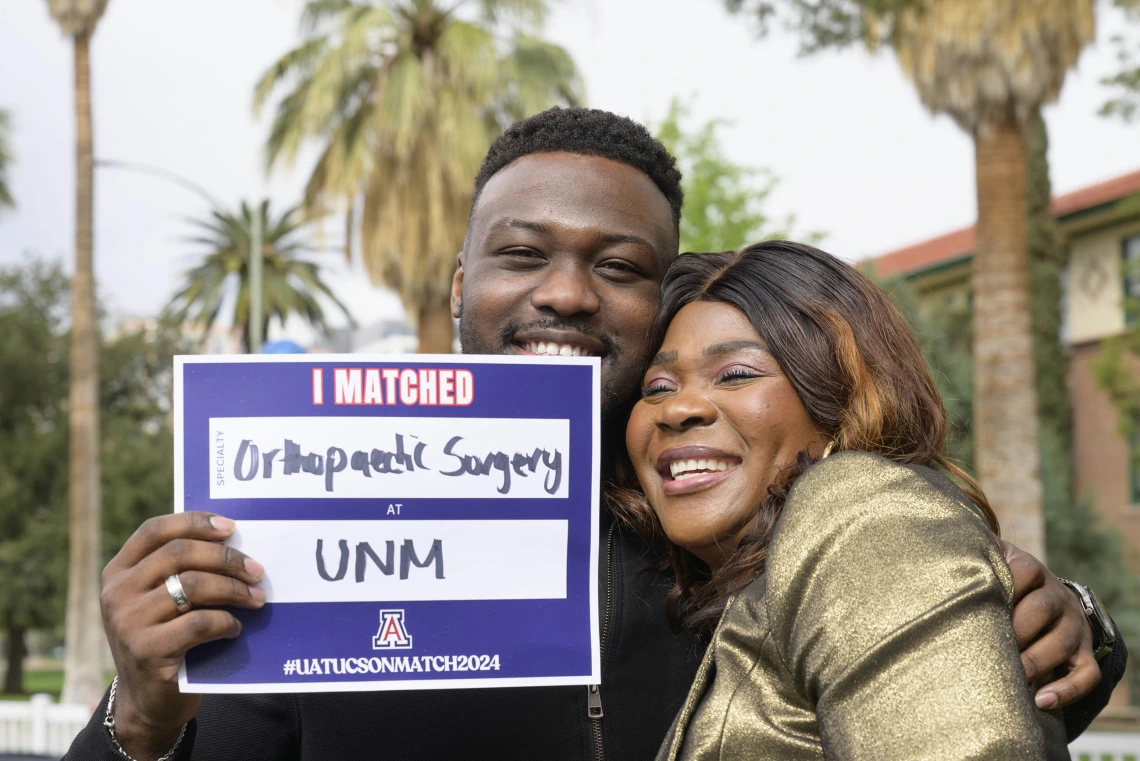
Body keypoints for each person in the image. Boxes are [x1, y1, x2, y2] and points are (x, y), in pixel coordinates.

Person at [66, 109, 1125, 761]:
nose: (567, 293)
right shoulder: (286, 554)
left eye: (617, 267)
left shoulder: (734, 527)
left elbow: (920, 684)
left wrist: (1066, 622)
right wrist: (143, 717)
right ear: (459, 291)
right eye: (523, 254)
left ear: (651, 301)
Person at [620, 242, 1078, 759]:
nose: (677, 407)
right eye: (657, 386)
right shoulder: (738, 590)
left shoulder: (863, 508)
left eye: (736, 374)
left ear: (841, 401)